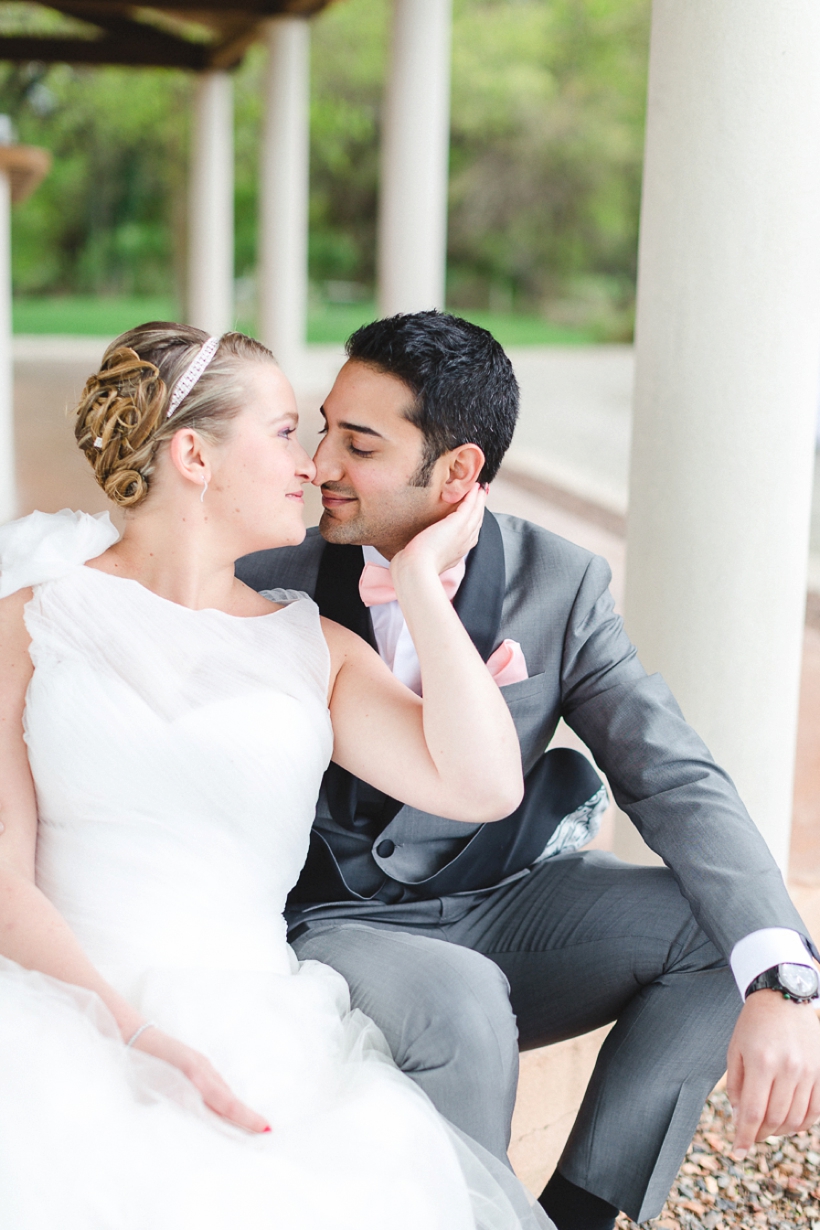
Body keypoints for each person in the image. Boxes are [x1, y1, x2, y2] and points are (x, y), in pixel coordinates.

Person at [237, 309, 820, 1230]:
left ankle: (582, 1214)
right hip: (329, 923)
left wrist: (785, 980)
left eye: (360, 444)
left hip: (503, 899)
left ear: (458, 471)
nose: (319, 466)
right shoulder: (265, 575)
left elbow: (671, 775)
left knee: (725, 929)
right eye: (322, 431)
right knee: (460, 999)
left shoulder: (563, 583)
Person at [0, 323, 552, 1230]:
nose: (315, 464)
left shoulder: (313, 650)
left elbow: (485, 786)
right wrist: (128, 1034)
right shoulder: (31, 622)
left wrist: (417, 575)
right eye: (288, 430)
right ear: (193, 454)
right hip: (57, 1014)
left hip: (262, 1033)